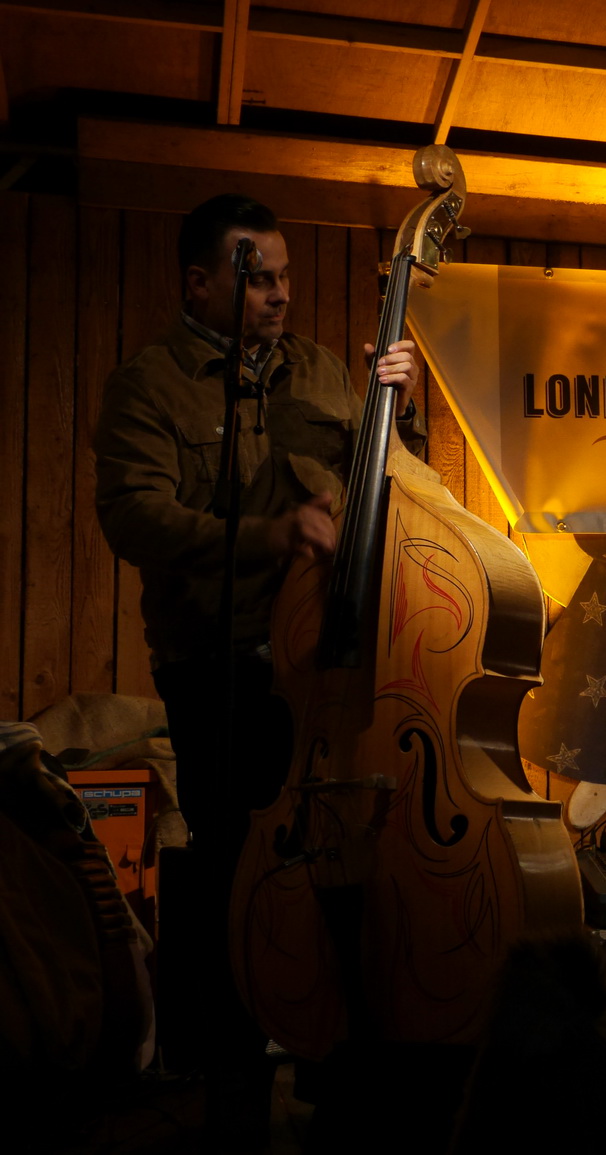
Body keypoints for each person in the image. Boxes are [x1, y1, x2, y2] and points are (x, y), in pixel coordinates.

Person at [93, 194, 423, 1146]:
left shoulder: (321, 368)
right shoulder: (148, 385)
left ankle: (338, 1067)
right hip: (218, 667)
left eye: (284, 275)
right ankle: (233, 1082)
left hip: (324, 662)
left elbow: (391, 480)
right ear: (200, 282)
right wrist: (272, 536)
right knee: (240, 865)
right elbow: (133, 517)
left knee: (342, 861)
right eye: (259, 276)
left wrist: (400, 406)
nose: (281, 294)